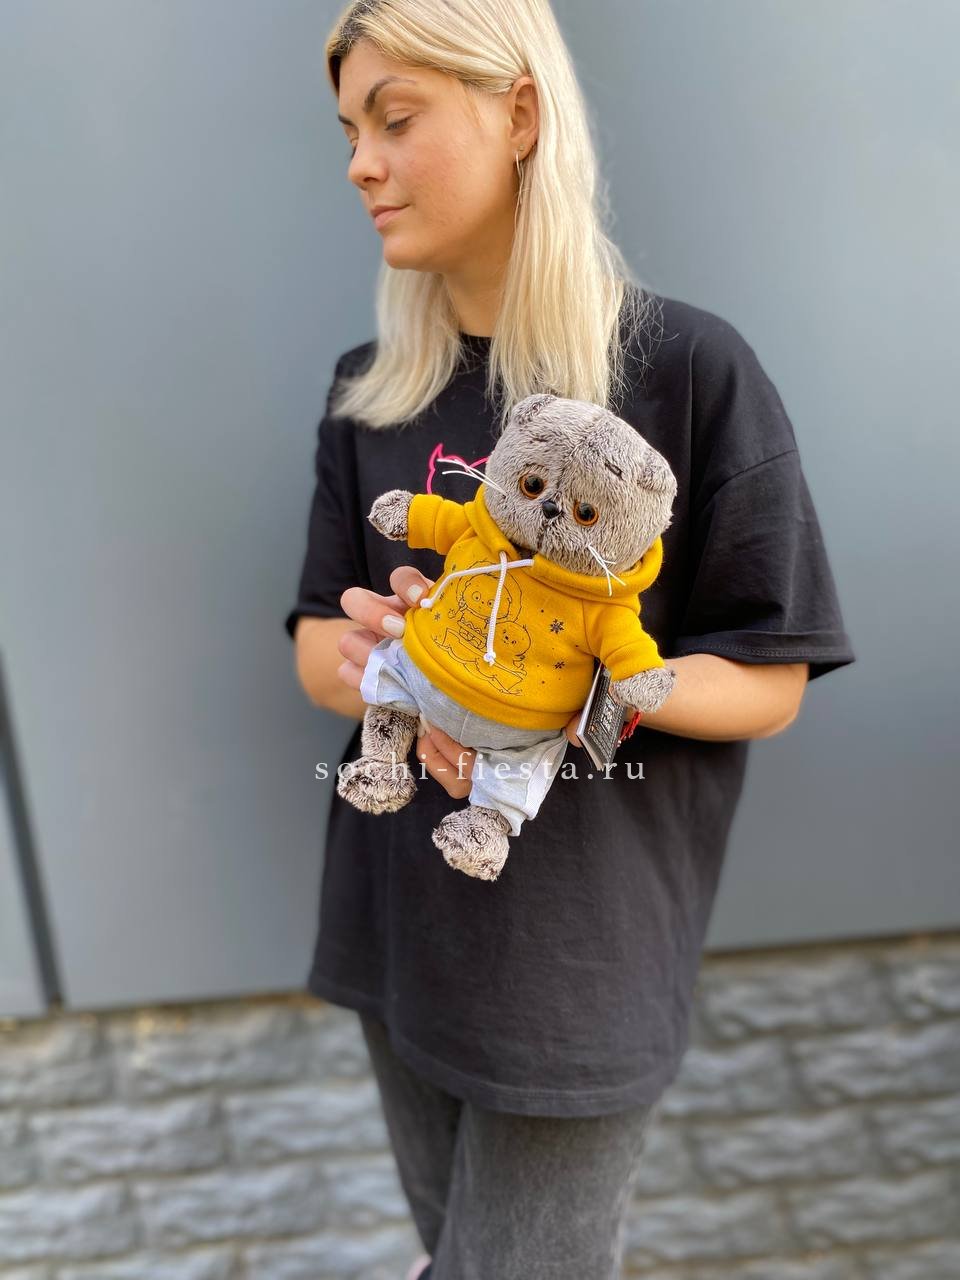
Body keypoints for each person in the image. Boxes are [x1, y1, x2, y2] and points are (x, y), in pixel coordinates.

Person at [284, 3, 857, 1277]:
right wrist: (382, 657)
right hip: (397, 924)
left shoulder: (690, 369)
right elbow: (316, 641)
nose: (360, 164)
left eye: (395, 119)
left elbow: (769, 677)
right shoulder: (368, 389)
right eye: (349, 131)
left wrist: (558, 690)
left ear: (521, 115)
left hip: (576, 968)